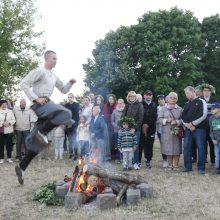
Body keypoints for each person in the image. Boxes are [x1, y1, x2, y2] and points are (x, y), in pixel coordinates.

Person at [15, 50, 76, 184]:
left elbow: (64, 90)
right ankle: (43, 132)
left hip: (47, 105)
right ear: (47, 59)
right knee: (66, 113)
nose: (56, 61)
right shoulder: (40, 71)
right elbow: (23, 83)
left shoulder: (53, 76)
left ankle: (21, 168)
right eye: (54, 58)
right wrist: (36, 98)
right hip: (41, 105)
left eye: (56, 58)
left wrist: (70, 83)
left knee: (37, 144)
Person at [181, 86, 207, 174]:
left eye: (187, 93)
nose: (186, 95)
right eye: (185, 94)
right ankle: (187, 167)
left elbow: (203, 115)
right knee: (186, 148)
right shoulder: (187, 104)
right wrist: (187, 125)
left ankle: (201, 168)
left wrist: (193, 124)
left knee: (201, 148)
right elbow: (182, 116)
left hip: (199, 129)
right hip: (188, 130)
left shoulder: (201, 101)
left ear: (193, 92)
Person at [157, 92, 183, 170]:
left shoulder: (180, 109)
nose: (172, 99)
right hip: (166, 131)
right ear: (167, 99)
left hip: (176, 131)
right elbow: (158, 119)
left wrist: (177, 122)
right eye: (171, 97)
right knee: (168, 148)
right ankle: (170, 165)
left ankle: (176, 165)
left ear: (177, 100)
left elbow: (183, 120)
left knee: (177, 147)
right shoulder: (163, 109)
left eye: (174, 98)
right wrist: (166, 120)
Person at [122, 91, 144, 170]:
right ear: (128, 97)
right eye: (130, 96)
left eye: (133, 96)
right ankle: (128, 163)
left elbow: (140, 118)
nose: (131, 98)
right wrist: (124, 125)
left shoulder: (139, 105)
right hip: (127, 129)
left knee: (135, 146)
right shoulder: (127, 105)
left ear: (135, 97)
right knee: (127, 146)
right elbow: (123, 116)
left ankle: (136, 162)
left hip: (136, 129)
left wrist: (134, 128)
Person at [201, 83, 218, 164]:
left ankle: (213, 160)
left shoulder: (215, 100)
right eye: (205, 90)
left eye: (208, 91)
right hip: (202, 124)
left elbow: (218, 111)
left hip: (212, 125)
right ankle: (204, 159)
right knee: (203, 143)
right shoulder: (200, 100)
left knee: (212, 142)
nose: (206, 92)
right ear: (202, 92)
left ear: (211, 92)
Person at [140, 90, 157, 169]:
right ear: (144, 96)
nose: (148, 96)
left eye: (150, 95)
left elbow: (154, 117)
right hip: (141, 128)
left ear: (152, 96)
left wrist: (148, 124)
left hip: (151, 128)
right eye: (147, 95)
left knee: (149, 145)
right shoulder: (140, 104)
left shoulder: (154, 105)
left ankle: (148, 160)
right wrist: (143, 124)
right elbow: (139, 116)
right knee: (141, 145)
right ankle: (138, 161)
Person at [64, 93, 80, 160]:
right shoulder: (66, 105)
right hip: (68, 125)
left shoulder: (77, 104)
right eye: (69, 97)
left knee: (75, 139)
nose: (70, 98)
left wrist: (72, 123)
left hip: (75, 124)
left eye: (71, 97)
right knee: (70, 140)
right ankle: (71, 153)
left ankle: (76, 154)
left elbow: (76, 115)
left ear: (73, 97)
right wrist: (68, 123)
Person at [156, 94, 168, 168]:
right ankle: (165, 160)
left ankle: (170, 159)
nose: (161, 100)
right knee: (163, 145)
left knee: (169, 144)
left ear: (165, 100)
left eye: (162, 99)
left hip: (168, 129)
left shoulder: (168, 107)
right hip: (160, 129)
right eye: (159, 99)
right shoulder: (156, 109)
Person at [209, 102, 220, 174]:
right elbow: (211, 130)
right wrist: (213, 138)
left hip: (219, 139)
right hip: (215, 140)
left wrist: (218, 139)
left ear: (219, 109)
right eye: (211, 109)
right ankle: (217, 168)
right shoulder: (211, 118)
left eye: (214, 108)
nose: (212, 110)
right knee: (217, 154)